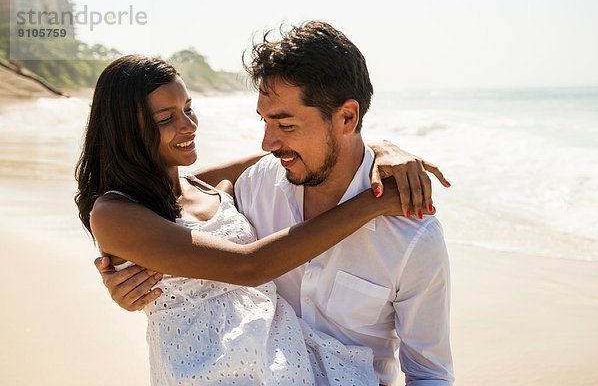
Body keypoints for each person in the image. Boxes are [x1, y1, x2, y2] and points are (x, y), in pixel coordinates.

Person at [96, 21, 454, 385]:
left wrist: (381, 148)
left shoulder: (412, 237)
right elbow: (229, 252)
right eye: (265, 121)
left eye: (284, 124)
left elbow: (430, 375)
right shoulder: (254, 186)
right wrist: (372, 202)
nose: (267, 143)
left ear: (348, 117)